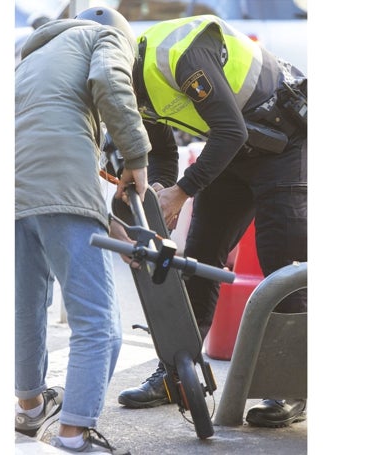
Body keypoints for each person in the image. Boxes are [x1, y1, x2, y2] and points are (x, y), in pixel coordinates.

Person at [117, 14, 308, 428]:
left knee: (283, 260)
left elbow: (230, 130)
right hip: (237, 149)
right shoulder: (135, 87)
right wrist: (157, 197)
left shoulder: (179, 55)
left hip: (284, 143)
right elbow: (164, 156)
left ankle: (293, 387)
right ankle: (176, 376)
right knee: (199, 258)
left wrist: (182, 191)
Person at [15, 6, 152, 453]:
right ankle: (74, 433)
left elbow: (47, 138)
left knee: (27, 305)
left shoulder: (28, 58)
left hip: (14, 192)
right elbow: (111, 84)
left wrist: (111, 221)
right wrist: (137, 159)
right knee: (98, 322)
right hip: (60, 181)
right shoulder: (100, 36)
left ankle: (31, 407)